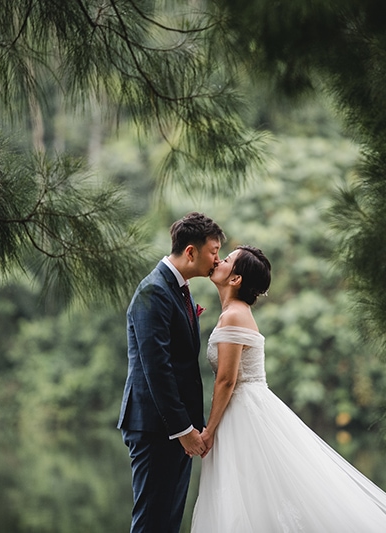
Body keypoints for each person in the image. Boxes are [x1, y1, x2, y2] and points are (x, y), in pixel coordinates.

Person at [191, 245, 386, 532]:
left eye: (226, 259)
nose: (219, 262)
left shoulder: (233, 315)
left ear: (236, 279)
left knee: (249, 494)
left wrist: (209, 431)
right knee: (251, 495)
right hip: (244, 410)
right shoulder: (237, 312)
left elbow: (227, 380)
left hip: (243, 413)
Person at [118, 212, 225, 533]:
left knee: (167, 524)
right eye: (214, 251)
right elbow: (157, 368)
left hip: (175, 430)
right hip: (156, 428)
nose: (217, 259)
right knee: (152, 524)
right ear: (191, 252)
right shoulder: (153, 291)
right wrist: (183, 429)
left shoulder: (180, 289)